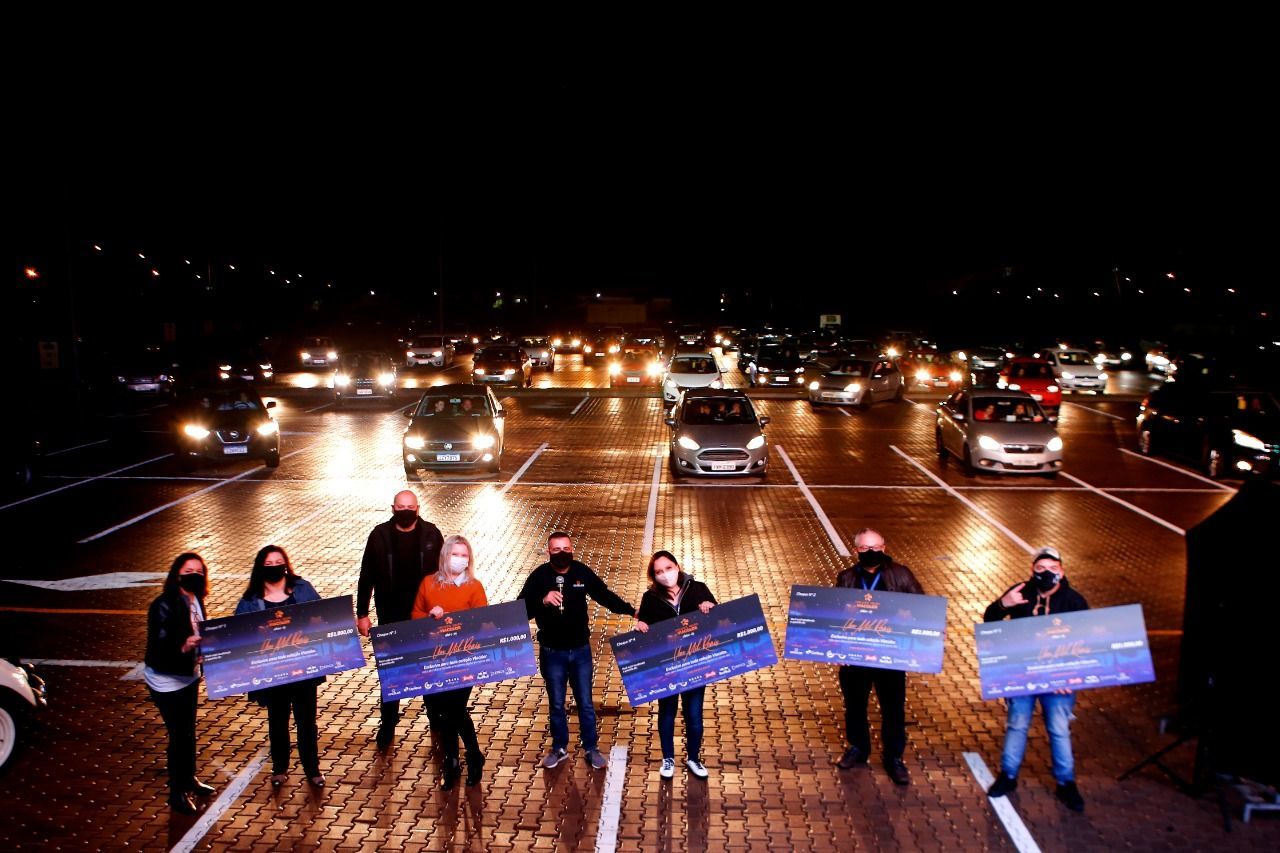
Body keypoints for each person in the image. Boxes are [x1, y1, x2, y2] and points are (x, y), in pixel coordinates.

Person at [518, 531, 638, 770]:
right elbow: (520, 611)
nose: (562, 553)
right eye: (556, 550)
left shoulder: (581, 572)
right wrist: (541, 600)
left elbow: (604, 595)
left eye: (566, 549)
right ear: (548, 552)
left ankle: (591, 748)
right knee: (556, 704)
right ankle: (559, 748)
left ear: (572, 549)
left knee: (585, 703)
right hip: (552, 653)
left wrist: (631, 611)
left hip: (580, 651)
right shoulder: (539, 577)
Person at [983, 546, 1088, 812]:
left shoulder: (1074, 601)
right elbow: (990, 620)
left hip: (1058, 679)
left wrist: (1071, 676)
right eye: (1040, 569)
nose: (1045, 573)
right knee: (1017, 724)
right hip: (1023, 674)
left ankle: (1066, 783)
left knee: (1059, 729)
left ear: (1061, 571)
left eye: (1052, 569)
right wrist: (1003, 604)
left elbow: (1088, 641)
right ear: (1032, 571)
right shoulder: (1020, 592)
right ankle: (1008, 776)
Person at [834, 528, 925, 786]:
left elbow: (922, 608)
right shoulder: (847, 577)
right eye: (864, 548)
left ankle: (894, 757)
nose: (870, 552)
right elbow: (835, 615)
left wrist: (914, 642)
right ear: (856, 551)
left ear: (884, 548)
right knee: (855, 706)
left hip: (890, 656)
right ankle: (858, 748)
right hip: (856, 656)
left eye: (875, 547)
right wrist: (838, 648)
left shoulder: (901, 575)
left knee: (893, 709)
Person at [356, 489, 445, 748]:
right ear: (393, 508)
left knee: (429, 667)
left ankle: (436, 718)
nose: (406, 510)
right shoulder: (379, 535)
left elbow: (444, 574)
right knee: (392, 672)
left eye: (410, 506)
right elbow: (366, 575)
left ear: (417, 509)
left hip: (425, 616)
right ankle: (388, 723)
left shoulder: (431, 534)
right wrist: (362, 614)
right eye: (401, 506)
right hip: (390, 616)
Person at [235, 545, 325, 788]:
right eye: (269, 563)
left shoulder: (302, 588)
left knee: (306, 721)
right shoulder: (251, 601)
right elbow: (238, 635)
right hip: (272, 672)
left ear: (285, 564)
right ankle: (280, 768)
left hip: (304, 669)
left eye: (279, 562)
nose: (275, 566)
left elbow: (321, 616)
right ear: (260, 568)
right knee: (277, 720)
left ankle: (312, 769)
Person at [411, 534, 488, 789]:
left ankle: (471, 755)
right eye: (455, 554)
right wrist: (428, 618)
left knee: (455, 709)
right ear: (445, 556)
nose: (459, 559)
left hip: (463, 659)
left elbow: (482, 621)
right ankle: (454, 761)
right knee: (444, 714)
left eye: (464, 555)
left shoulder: (474, 587)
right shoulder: (427, 583)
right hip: (436, 661)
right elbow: (415, 616)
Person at [634, 551, 716, 779]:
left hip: (696, 663)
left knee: (694, 714)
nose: (665, 575)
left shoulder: (698, 588)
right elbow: (646, 629)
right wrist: (640, 626)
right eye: (659, 572)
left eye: (668, 568)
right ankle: (668, 759)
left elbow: (717, 618)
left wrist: (710, 606)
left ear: (677, 567)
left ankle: (693, 758)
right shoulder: (650, 598)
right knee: (667, 713)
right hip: (667, 667)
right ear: (654, 576)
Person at [144, 552, 215, 814]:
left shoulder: (196, 599)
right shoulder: (162, 605)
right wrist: (183, 645)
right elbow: (158, 646)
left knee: (188, 731)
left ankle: (189, 778)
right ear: (177, 575)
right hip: (166, 680)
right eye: (188, 571)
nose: (194, 575)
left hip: (189, 676)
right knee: (178, 735)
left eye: (199, 571)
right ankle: (177, 792)